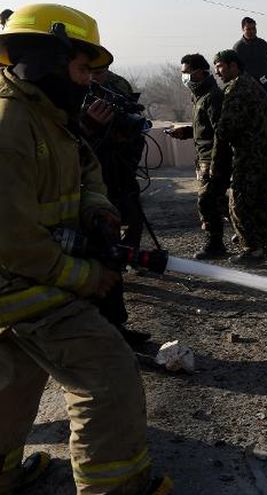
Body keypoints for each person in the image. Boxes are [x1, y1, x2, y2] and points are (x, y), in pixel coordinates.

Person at [0, 5, 171, 494]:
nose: (88, 82)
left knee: (13, 379)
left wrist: (97, 210)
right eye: (81, 69)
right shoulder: (10, 126)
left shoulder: (48, 114)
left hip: (28, 277)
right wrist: (84, 276)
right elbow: (10, 237)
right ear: (48, 60)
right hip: (21, 283)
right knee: (107, 372)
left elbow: (86, 168)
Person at [83, 65, 152, 346]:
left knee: (112, 246)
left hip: (116, 178)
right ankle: (100, 334)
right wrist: (90, 127)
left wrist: (123, 141)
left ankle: (116, 325)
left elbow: (135, 130)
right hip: (87, 190)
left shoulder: (117, 86)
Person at [169, 53, 232, 259]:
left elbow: (220, 133)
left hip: (212, 158)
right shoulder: (198, 96)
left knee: (206, 201)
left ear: (200, 72)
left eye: (187, 72)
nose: (184, 77)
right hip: (204, 158)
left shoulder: (212, 96)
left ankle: (215, 244)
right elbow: (204, 127)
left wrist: (215, 162)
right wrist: (187, 132)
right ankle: (243, 233)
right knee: (218, 201)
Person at [213, 49, 267, 262]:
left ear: (233, 65)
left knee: (238, 203)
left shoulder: (238, 89)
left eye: (220, 67)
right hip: (261, 153)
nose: (217, 72)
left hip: (248, 155)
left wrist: (213, 132)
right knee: (258, 202)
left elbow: (226, 128)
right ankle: (264, 244)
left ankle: (251, 248)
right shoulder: (253, 84)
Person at [232, 16, 267, 151]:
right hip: (248, 91)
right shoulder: (238, 48)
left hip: (265, 87)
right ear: (243, 30)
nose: (252, 31)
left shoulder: (262, 44)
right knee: (252, 118)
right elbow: (235, 70)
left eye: (253, 28)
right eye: (248, 29)